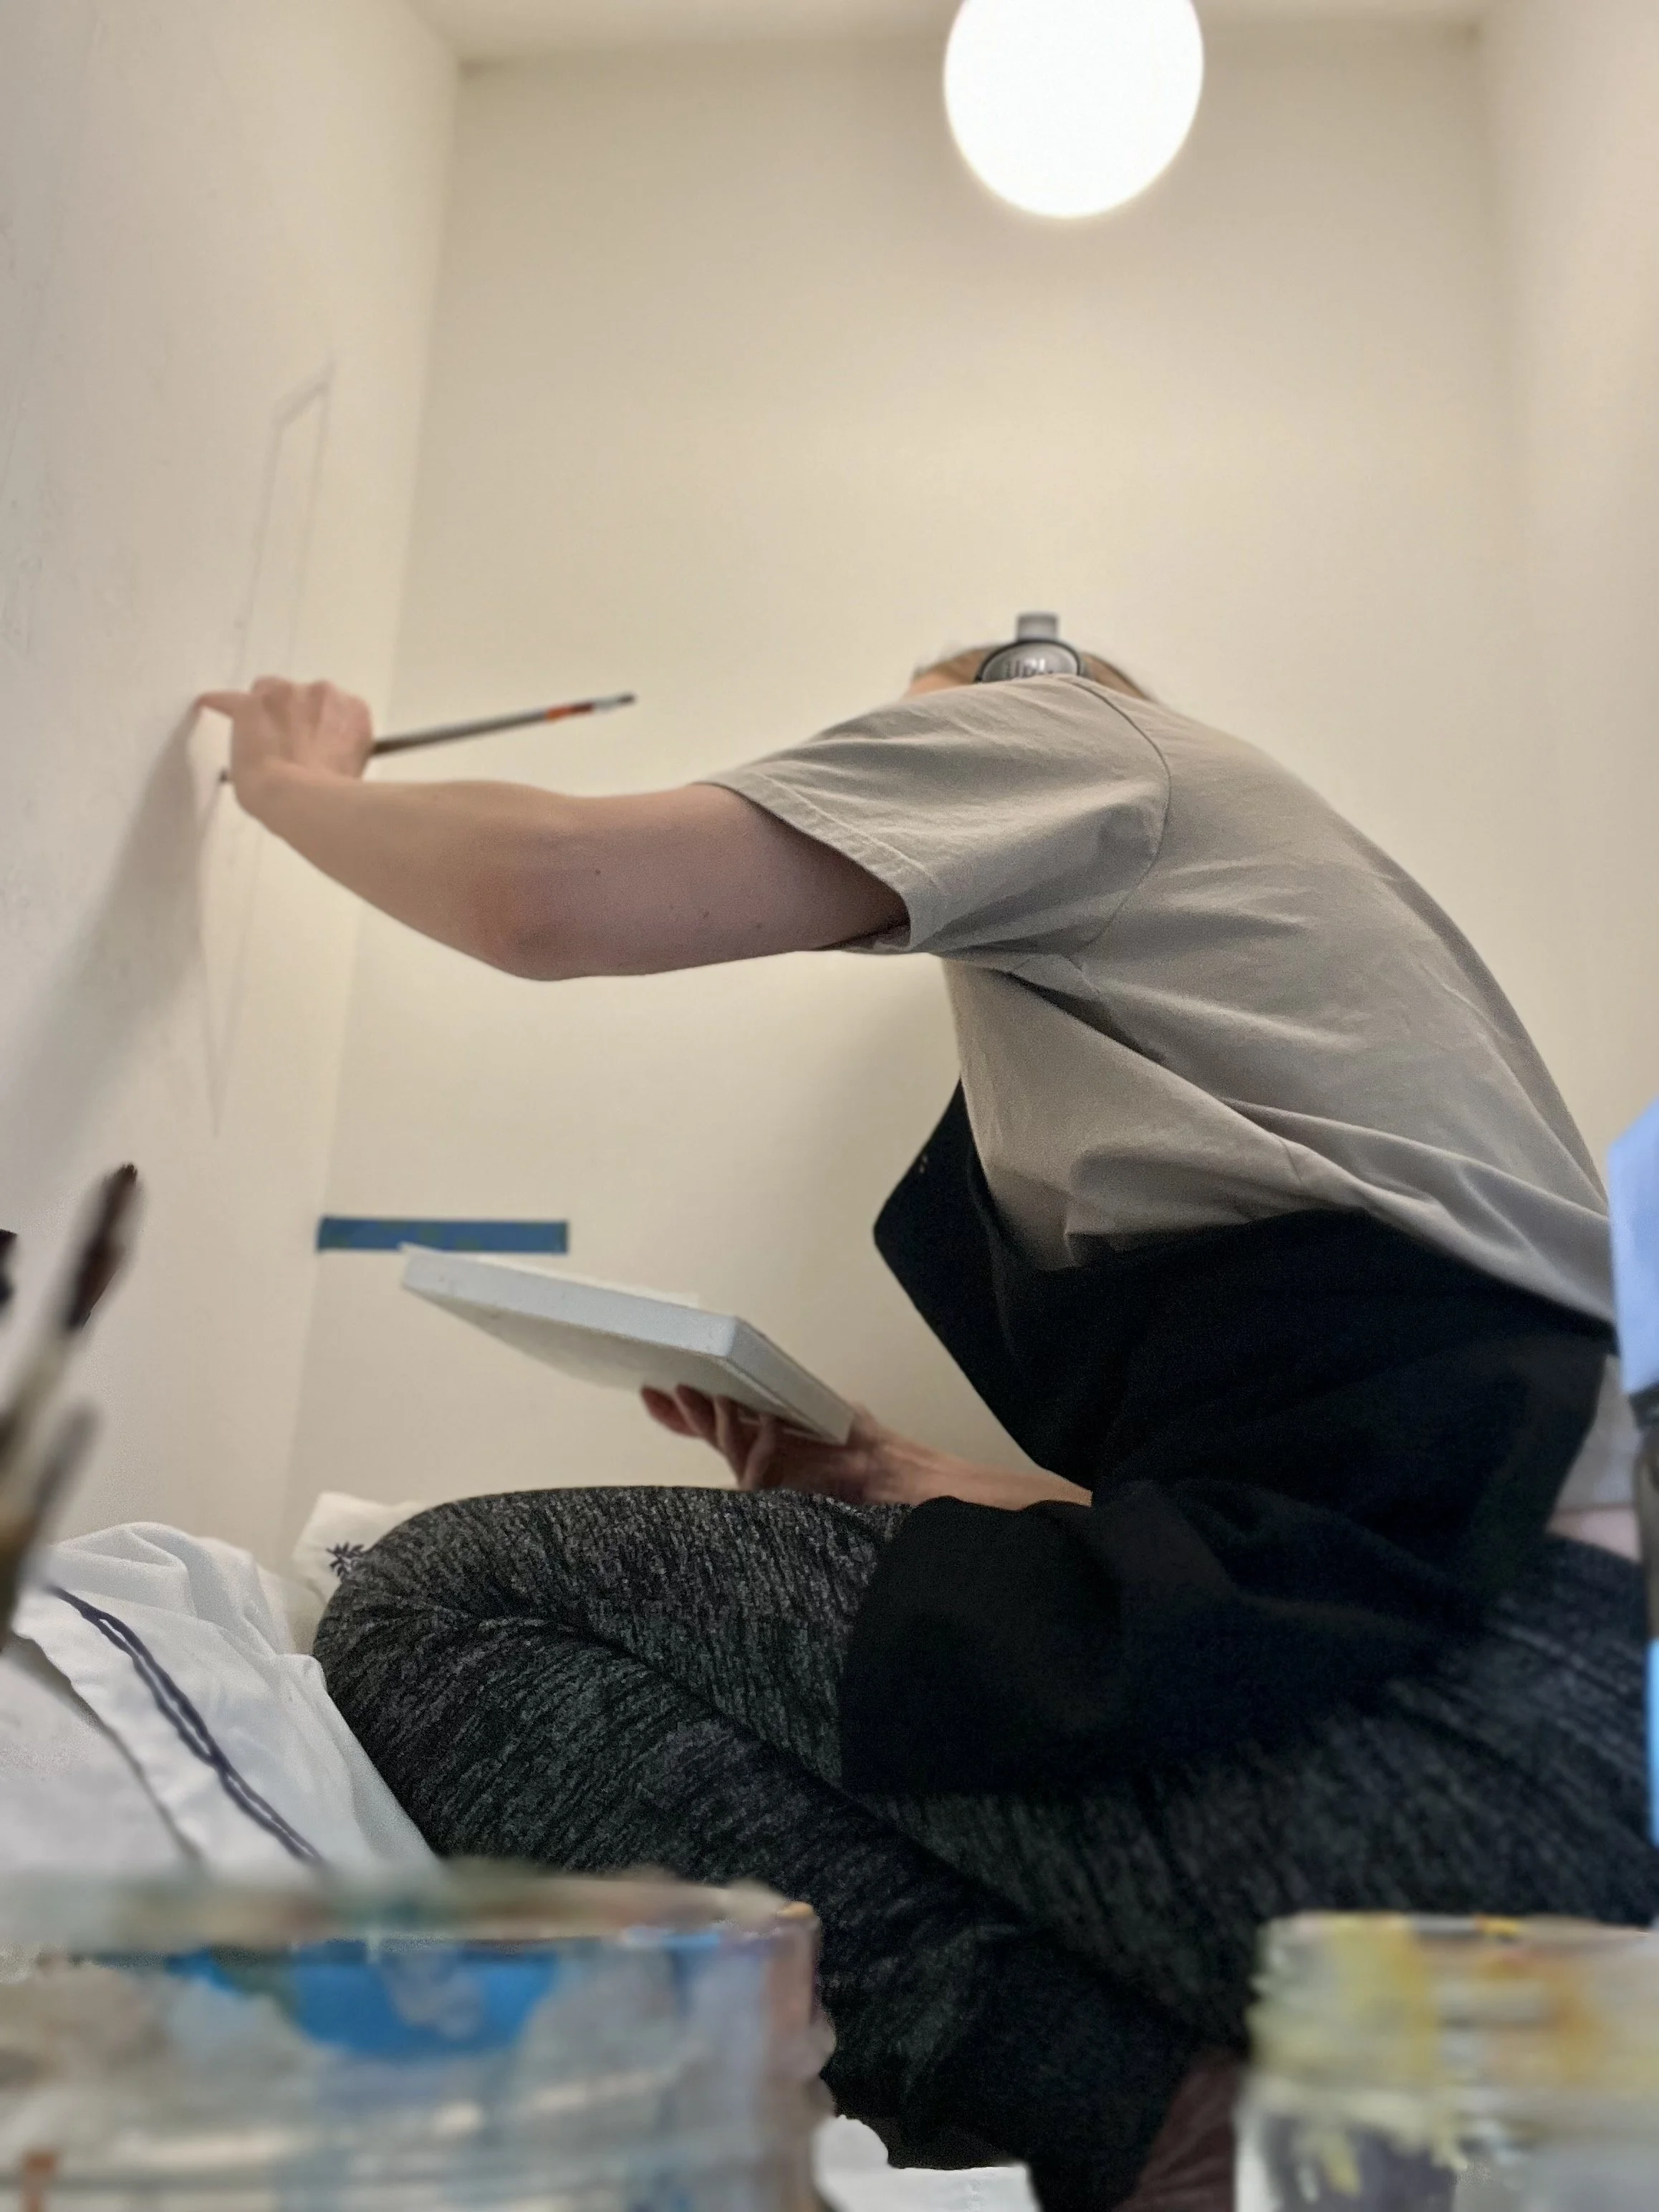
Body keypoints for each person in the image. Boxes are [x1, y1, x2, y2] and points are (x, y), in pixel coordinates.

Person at [203, 630, 1658, 2211]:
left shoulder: (1082, 737)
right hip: (1548, 1730)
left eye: (900, 753)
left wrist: (293, 783)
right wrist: (906, 1475)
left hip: (1468, 1712)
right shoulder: (1258, 1002)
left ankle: (1159, 2128)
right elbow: (1321, 1505)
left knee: (440, 1600)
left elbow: (548, 890)